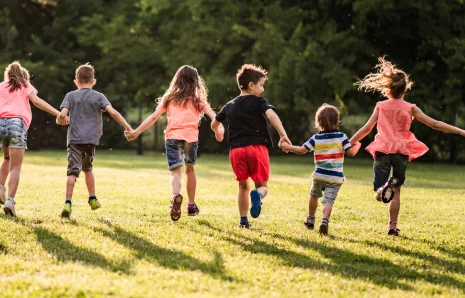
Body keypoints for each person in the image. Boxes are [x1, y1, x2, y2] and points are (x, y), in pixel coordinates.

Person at [350, 56, 465, 236]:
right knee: (396, 190)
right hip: (401, 151)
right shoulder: (410, 108)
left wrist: (350, 142)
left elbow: (367, 128)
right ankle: (392, 226)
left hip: (383, 150)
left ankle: (381, 189)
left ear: (388, 89)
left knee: (379, 191)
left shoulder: (381, 106)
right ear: (405, 88)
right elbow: (435, 123)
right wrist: (461, 131)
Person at [0, 61, 69, 217]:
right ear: (24, 77)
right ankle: (9, 201)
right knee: (16, 166)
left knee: (7, 157)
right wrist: (58, 113)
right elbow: (37, 101)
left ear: (7, 75)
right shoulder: (25, 86)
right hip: (17, 124)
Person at [125, 65, 224, 221]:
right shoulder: (197, 100)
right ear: (196, 82)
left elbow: (153, 117)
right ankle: (191, 205)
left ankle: (176, 196)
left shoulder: (169, 98)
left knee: (175, 172)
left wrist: (136, 132)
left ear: (177, 80)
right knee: (190, 170)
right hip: (191, 138)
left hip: (172, 138)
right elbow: (214, 115)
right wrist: (219, 130)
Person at [210, 64, 291, 228]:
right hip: (256, 149)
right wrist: (283, 135)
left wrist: (217, 132)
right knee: (262, 187)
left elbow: (214, 122)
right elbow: (271, 114)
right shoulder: (259, 102)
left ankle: (243, 220)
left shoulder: (230, 105)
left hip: (236, 151)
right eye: (261, 85)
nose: (262, 90)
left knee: (242, 185)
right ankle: (258, 196)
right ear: (251, 85)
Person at [56, 64, 133, 218]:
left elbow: (62, 114)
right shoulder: (99, 96)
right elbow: (113, 112)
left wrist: (60, 120)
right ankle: (92, 197)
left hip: (75, 140)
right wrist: (128, 127)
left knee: (72, 172)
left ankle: (67, 202)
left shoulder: (70, 96)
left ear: (76, 81)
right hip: (91, 140)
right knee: (88, 169)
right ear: (94, 81)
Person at [280, 104, 361, 235]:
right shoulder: (342, 137)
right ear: (337, 121)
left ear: (318, 122)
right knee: (328, 201)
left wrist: (288, 147)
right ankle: (324, 221)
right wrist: (357, 145)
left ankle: (311, 219)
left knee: (314, 196)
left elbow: (301, 150)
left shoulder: (316, 138)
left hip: (319, 176)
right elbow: (351, 153)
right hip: (335, 178)